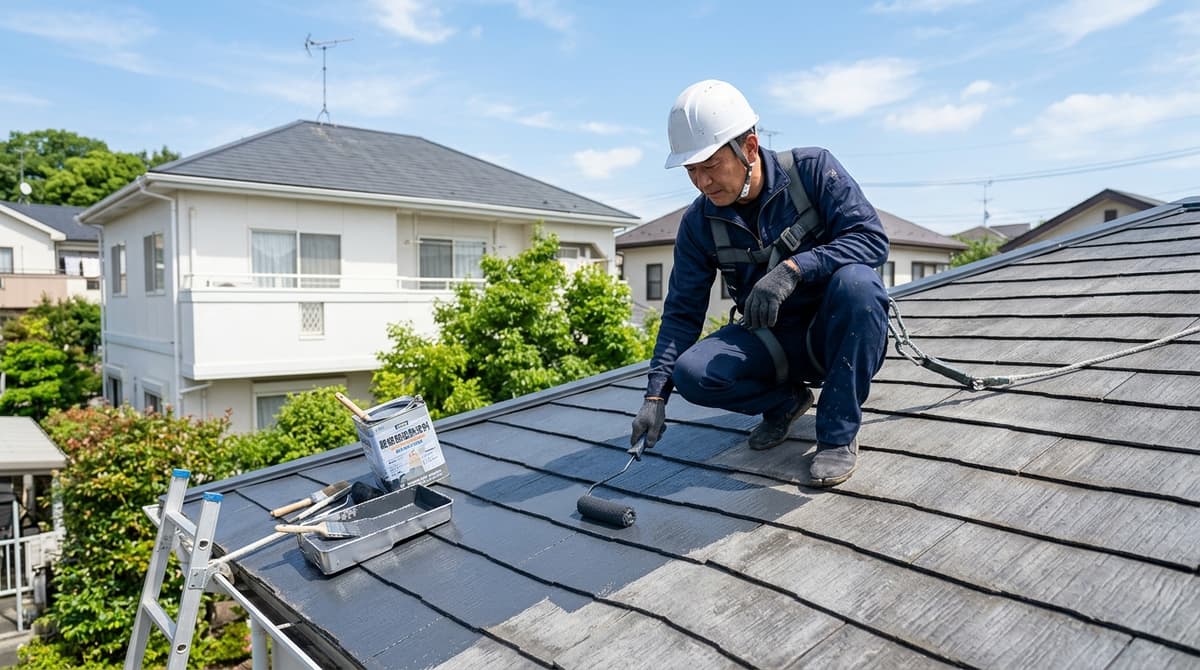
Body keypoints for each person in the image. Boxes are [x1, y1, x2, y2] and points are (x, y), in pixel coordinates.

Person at [630, 79, 890, 487]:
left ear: (749, 147)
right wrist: (655, 395)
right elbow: (682, 313)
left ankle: (837, 436)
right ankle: (787, 403)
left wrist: (794, 269)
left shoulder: (812, 171)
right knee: (692, 372)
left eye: (710, 165)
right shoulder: (699, 223)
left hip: (838, 334)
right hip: (773, 343)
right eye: (691, 171)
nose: (702, 182)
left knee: (859, 284)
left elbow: (871, 240)